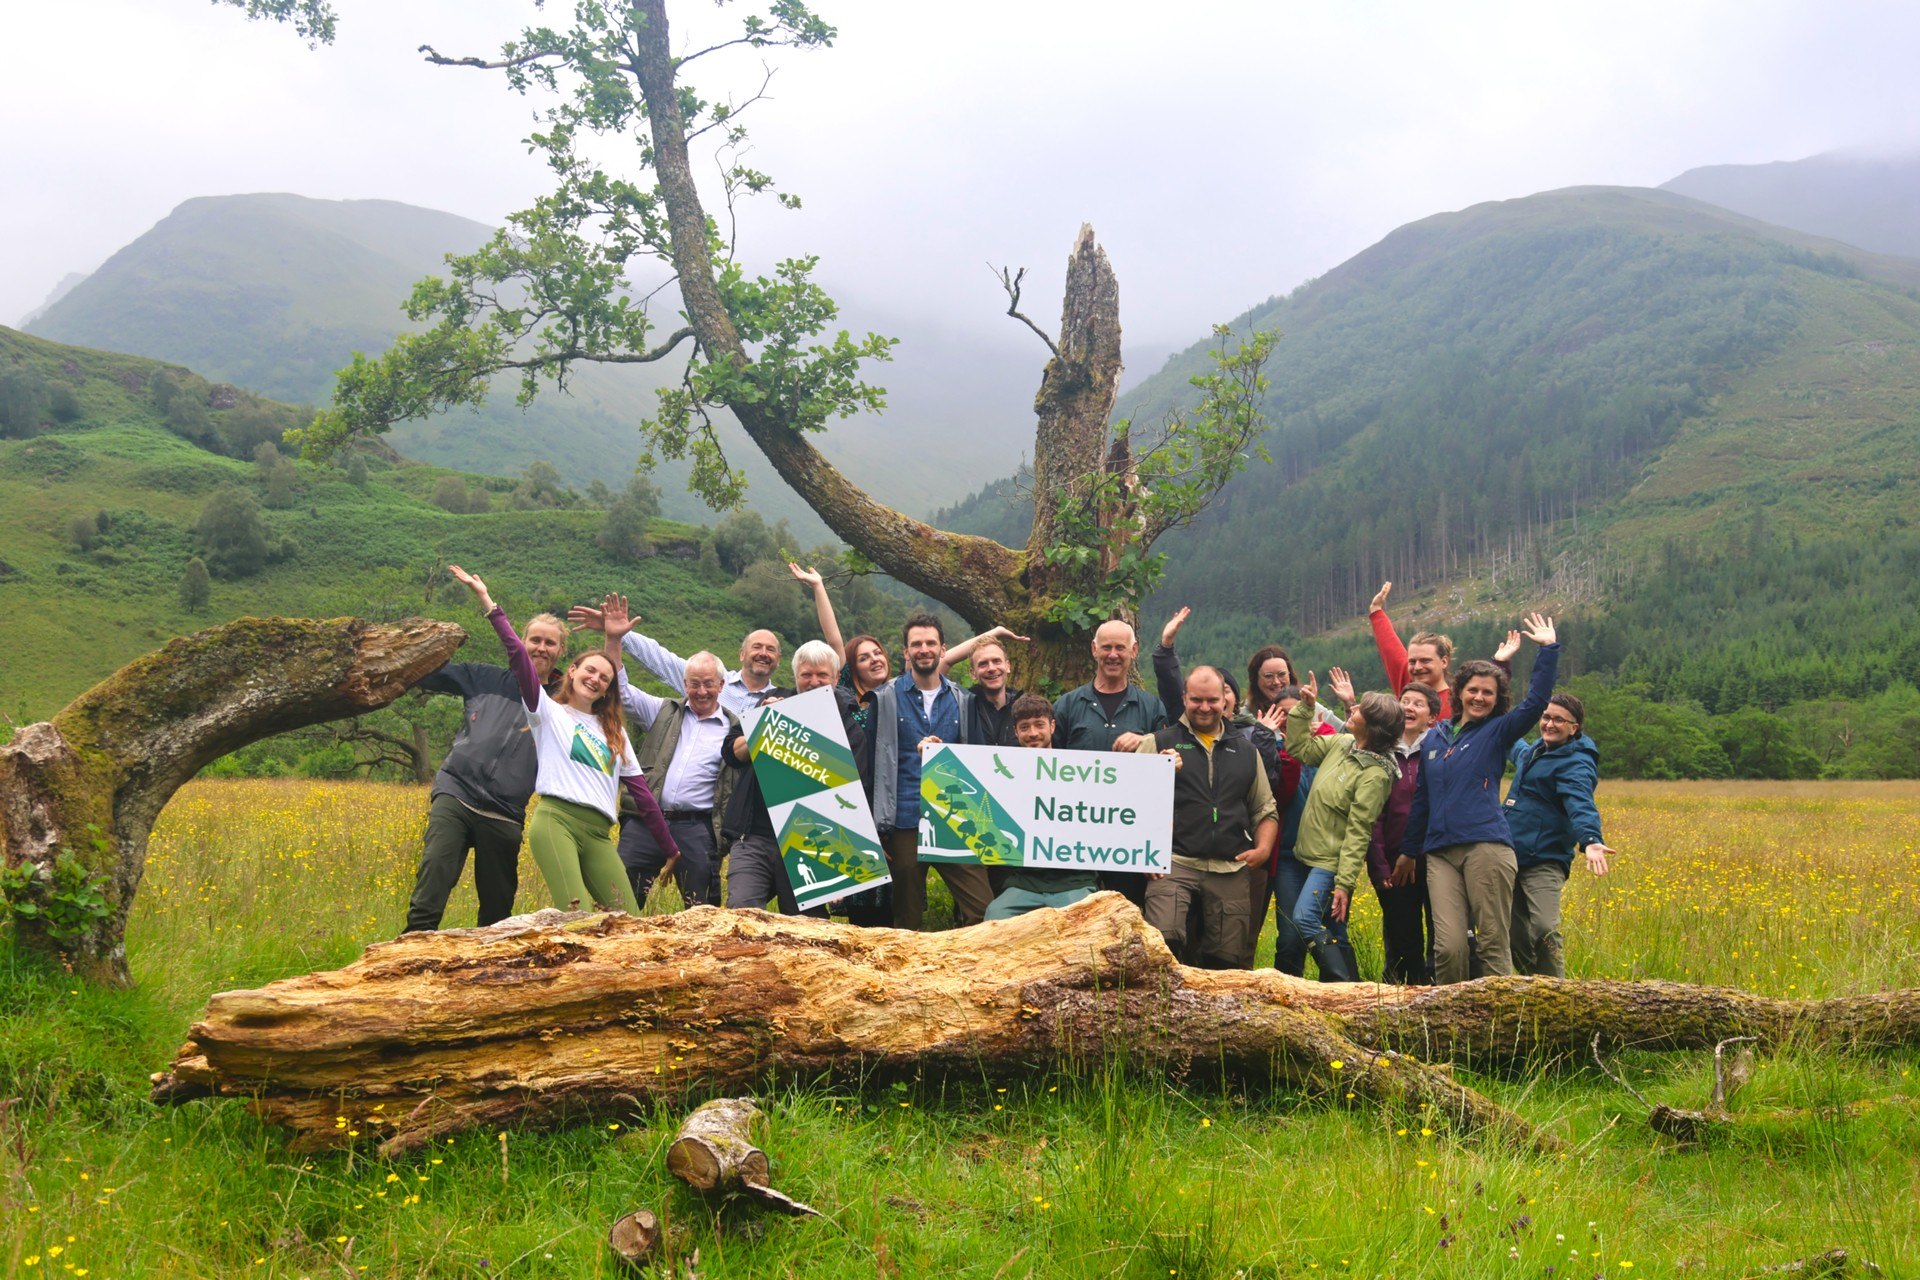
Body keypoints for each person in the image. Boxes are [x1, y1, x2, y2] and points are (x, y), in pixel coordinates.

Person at [447, 565, 679, 915]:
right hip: (557, 823)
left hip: (600, 833)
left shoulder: (614, 733)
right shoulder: (547, 713)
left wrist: (670, 849)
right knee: (579, 918)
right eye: (589, 670)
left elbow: (643, 796)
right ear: (572, 671)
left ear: (607, 688)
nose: (596, 679)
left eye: (604, 677)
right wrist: (489, 604)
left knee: (630, 921)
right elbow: (519, 658)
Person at [1401, 612, 1561, 984]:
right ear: (1457, 692)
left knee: (1490, 942)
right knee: (1448, 947)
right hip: (1439, 852)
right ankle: (1452, 1029)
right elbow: (1422, 799)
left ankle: (1501, 1027)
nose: (1479, 697)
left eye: (1488, 692)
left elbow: (1536, 701)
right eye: (1472, 690)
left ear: (1496, 699)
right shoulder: (1436, 737)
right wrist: (1409, 851)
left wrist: (1548, 650)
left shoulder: (1497, 731)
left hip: (1486, 848)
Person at [401, 610, 566, 932]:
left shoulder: (565, 702)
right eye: (535, 640)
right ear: (521, 642)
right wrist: (408, 645)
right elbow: (422, 673)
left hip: (505, 811)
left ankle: (488, 972)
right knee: (432, 883)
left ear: (561, 651)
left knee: (497, 908)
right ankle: (406, 959)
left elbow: (609, 693)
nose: (541, 648)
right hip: (456, 792)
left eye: (550, 642)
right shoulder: (482, 677)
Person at [572, 594, 737, 911]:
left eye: (708, 684)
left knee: (703, 912)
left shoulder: (734, 729)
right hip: (646, 823)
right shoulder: (662, 711)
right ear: (684, 684)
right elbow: (618, 690)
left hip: (698, 829)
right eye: (693, 684)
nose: (701, 691)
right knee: (618, 905)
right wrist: (614, 639)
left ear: (721, 684)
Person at [1137, 667, 1279, 969]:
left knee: (1226, 960)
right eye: (1196, 700)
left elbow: (1265, 809)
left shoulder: (1247, 751)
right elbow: (1129, 804)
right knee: (1164, 943)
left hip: (1230, 865)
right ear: (1184, 698)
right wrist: (1144, 853)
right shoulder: (1157, 742)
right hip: (1173, 862)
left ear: (1224, 701)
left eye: (1212, 700)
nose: (1204, 707)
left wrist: (1263, 850)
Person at [722, 641, 867, 915]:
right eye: (806, 675)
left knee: (808, 932)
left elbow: (853, 796)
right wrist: (764, 723)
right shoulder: (770, 703)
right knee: (741, 917)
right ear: (795, 676)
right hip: (755, 836)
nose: (814, 682)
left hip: (810, 843)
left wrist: (841, 868)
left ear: (836, 678)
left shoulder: (849, 728)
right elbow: (730, 753)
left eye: (822, 675)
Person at [870, 613, 994, 929]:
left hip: (953, 818)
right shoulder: (884, 698)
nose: (923, 649)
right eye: (916, 644)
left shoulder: (963, 700)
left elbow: (976, 759)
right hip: (905, 819)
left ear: (943, 649)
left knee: (983, 911)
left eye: (930, 643)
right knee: (907, 919)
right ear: (906, 652)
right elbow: (872, 762)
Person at [1280, 674, 1404, 982]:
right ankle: (1354, 991)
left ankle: (1339, 984)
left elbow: (1359, 831)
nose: (1354, 707)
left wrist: (1345, 884)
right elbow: (1300, 749)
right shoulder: (1344, 743)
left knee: (1305, 918)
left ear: (1372, 727)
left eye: (1362, 708)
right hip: (1303, 854)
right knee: (1332, 927)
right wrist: (1305, 710)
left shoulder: (1375, 775)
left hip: (1330, 863)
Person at [1055, 619, 1169, 907]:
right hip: (1076, 832)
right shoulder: (1067, 705)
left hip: (1129, 835)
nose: (1113, 654)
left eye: (1120, 647)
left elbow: (1169, 767)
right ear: (1094, 650)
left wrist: (1147, 740)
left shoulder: (1152, 707)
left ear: (1134, 650)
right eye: (1106, 647)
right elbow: (1047, 765)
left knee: (1126, 912)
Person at [1504, 692, 1616, 977]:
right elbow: (1514, 746)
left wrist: (1591, 840)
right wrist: (1498, 718)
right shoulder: (1535, 751)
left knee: (1543, 928)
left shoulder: (1576, 763)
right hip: (1510, 854)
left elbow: (1580, 802)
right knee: (1511, 934)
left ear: (1573, 728)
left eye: (1558, 720)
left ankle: (1557, 993)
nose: (1549, 724)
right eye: (1546, 717)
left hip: (1545, 859)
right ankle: (1537, 989)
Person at [1339, 672, 1441, 985]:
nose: (1409, 707)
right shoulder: (1381, 755)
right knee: (1402, 936)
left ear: (1433, 718)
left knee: (1442, 934)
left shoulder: (1441, 753)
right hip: (1392, 862)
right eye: (1404, 701)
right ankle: (1401, 999)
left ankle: (1438, 993)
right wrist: (1379, 865)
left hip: (1437, 859)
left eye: (1418, 704)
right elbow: (1373, 817)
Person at [981, 694, 1101, 920]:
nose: (1033, 733)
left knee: (1082, 925)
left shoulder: (1082, 772)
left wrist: (1163, 768)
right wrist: (931, 754)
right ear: (1015, 732)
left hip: (1074, 880)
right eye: (1024, 727)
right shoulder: (1003, 774)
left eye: (1039, 725)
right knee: (994, 916)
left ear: (1052, 726)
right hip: (1024, 882)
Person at [587, 602, 784, 717]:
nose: (763, 654)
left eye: (771, 650)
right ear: (742, 654)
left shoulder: (781, 702)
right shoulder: (710, 681)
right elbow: (661, 659)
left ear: (779, 659)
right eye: (757, 647)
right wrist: (620, 635)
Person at [1366, 581, 1522, 719]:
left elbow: (1488, 692)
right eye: (1412, 661)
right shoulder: (1407, 687)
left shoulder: (1459, 700)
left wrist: (1500, 664)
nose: (1417, 667)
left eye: (1426, 661)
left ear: (1444, 661)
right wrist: (1376, 610)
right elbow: (1390, 649)